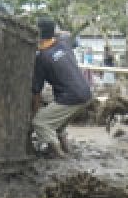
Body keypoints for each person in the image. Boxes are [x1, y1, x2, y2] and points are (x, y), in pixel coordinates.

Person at [31, 16, 92, 158]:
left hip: (71, 97)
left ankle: (59, 154)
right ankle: (67, 149)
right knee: (57, 122)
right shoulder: (63, 43)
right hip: (87, 93)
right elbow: (67, 35)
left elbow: (36, 91)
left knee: (40, 122)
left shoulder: (41, 57)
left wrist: (35, 112)